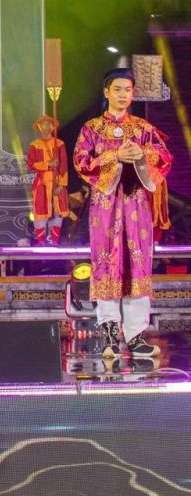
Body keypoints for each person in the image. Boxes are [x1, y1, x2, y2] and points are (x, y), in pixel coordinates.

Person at [73, 67, 173, 360]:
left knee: (136, 265)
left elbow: (164, 157)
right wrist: (114, 156)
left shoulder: (142, 128)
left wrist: (143, 155)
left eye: (127, 90)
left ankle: (136, 336)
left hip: (135, 204)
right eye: (117, 89)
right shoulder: (92, 128)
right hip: (105, 206)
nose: (122, 95)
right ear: (106, 92)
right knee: (106, 264)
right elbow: (81, 161)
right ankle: (109, 336)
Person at [26, 114, 71, 245]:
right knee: (41, 211)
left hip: (57, 181)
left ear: (52, 127)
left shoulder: (59, 143)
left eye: (48, 124)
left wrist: (61, 185)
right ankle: (41, 242)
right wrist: (48, 164)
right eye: (43, 125)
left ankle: (53, 241)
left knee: (57, 211)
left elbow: (64, 165)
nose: (45, 127)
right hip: (42, 183)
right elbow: (31, 164)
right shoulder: (34, 145)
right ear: (39, 127)